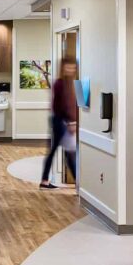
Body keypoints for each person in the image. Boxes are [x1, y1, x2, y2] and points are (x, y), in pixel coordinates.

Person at [40, 60, 78, 189]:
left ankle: (44, 181)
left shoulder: (68, 84)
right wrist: (71, 121)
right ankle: (78, 184)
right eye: (68, 67)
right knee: (67, 152)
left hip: (61, 121)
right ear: (63, 68)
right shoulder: (61, 84)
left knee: (67, 152)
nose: (71, 70)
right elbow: (61, 106)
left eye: (73, 68)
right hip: (61, 122)